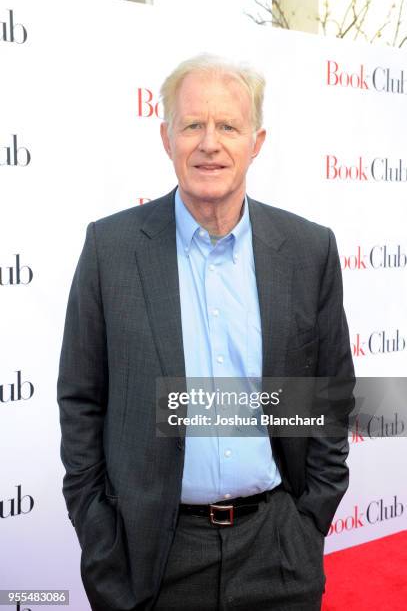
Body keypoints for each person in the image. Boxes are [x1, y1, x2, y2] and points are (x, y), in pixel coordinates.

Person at [57, 54, 354, 611]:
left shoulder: (309, 250)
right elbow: (80, 400)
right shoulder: (111, 250)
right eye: (192, 124)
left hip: (278, 550)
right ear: (165, 136)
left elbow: (330, 397)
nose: (209, 143)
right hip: (151, 558)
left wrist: (308, 519)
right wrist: (102, 536)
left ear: (257, 141)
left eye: (228, 126)